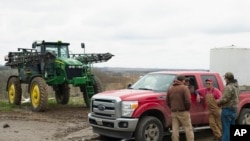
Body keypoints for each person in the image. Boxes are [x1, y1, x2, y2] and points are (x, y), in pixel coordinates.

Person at [167, 75, 194, 141]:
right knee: (188, 129)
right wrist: (187, 108)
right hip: (183, 111)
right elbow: (188, 101)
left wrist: (172, 107)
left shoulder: (170, 88)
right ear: (183, 80)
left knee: (175, 130)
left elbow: (167, 101)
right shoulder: (184, 88)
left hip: (174, 112)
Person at [217, 72, 240, 141]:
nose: (224, 79)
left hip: (227, 109)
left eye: (225, 78)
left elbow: (225, 99)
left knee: (226, 128)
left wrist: (218, 101)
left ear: (227, 79)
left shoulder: (229, 87)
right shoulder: (237, 86)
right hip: (234, 109)